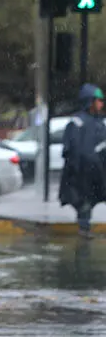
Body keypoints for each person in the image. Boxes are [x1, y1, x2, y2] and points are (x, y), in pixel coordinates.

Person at [59, 84, 106, 239]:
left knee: (91, 200)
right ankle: (83, 230)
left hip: (97, 172)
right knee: (83, 202)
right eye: (99, 100)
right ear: (90, 101)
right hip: (80, 174)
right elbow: (72, 150)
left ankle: (84, 228)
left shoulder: (99, 123)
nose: (101, 104)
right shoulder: (77, 122)